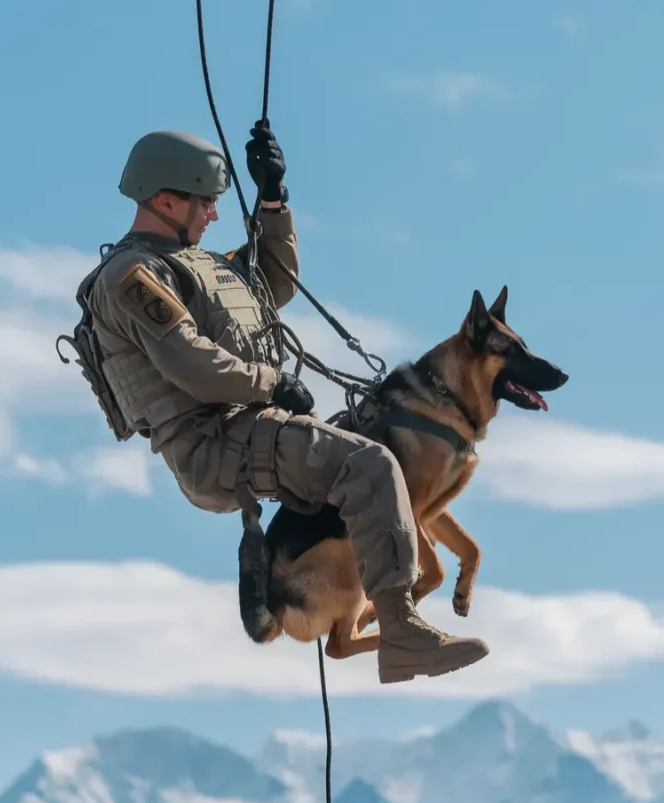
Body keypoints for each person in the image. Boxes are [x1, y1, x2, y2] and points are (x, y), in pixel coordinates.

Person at [79, 121, 489, 684]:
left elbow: (272, 283)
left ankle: (398, 627)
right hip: (209, 445)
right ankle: (401, 633)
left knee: (367, 459)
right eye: (205, 202)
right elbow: (190, 361)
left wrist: (273, 198)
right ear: (165, 199)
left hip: (247, 426)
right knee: (369, 464)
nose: (214, 215)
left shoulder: (203, 266)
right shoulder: (132, 277)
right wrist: (270, 382)